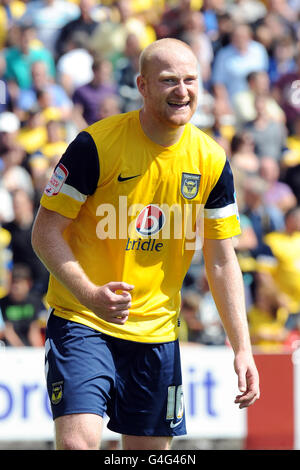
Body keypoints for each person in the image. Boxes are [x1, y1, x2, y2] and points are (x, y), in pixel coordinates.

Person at [31, 38, 259, 451]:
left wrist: (242, 348)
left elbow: (222, 260)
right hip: (84, 320)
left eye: (190, 80)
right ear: (142, 85)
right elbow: (44, 232)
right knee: (77, 445)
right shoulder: (96, 145)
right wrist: (90, 294)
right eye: (169, 80)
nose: (182, 90)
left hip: (157, 334)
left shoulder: (211, 160)